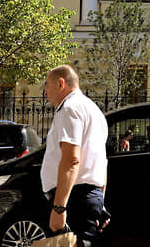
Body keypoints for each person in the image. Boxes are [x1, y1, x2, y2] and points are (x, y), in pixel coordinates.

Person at [42, 65, 110, 246]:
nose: (45, 92)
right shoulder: (94, 110)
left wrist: (59, 207)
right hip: (89, 196)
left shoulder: (69, 108)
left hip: (74, 199)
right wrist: (100, 203)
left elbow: (72, 159)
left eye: (47, 86)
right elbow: (102, 162)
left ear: (60, 83)